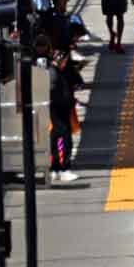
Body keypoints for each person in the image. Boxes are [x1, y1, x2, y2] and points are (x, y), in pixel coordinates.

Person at [36, 34, 79, 183]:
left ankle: (55, 168)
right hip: (59, 111)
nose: (65, 63)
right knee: (63, 140)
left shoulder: (53, 71)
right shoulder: (55, 74)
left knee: (55, 140)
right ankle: (63, 168)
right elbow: (57, 93)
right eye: (65, 61)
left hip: (56, 112)